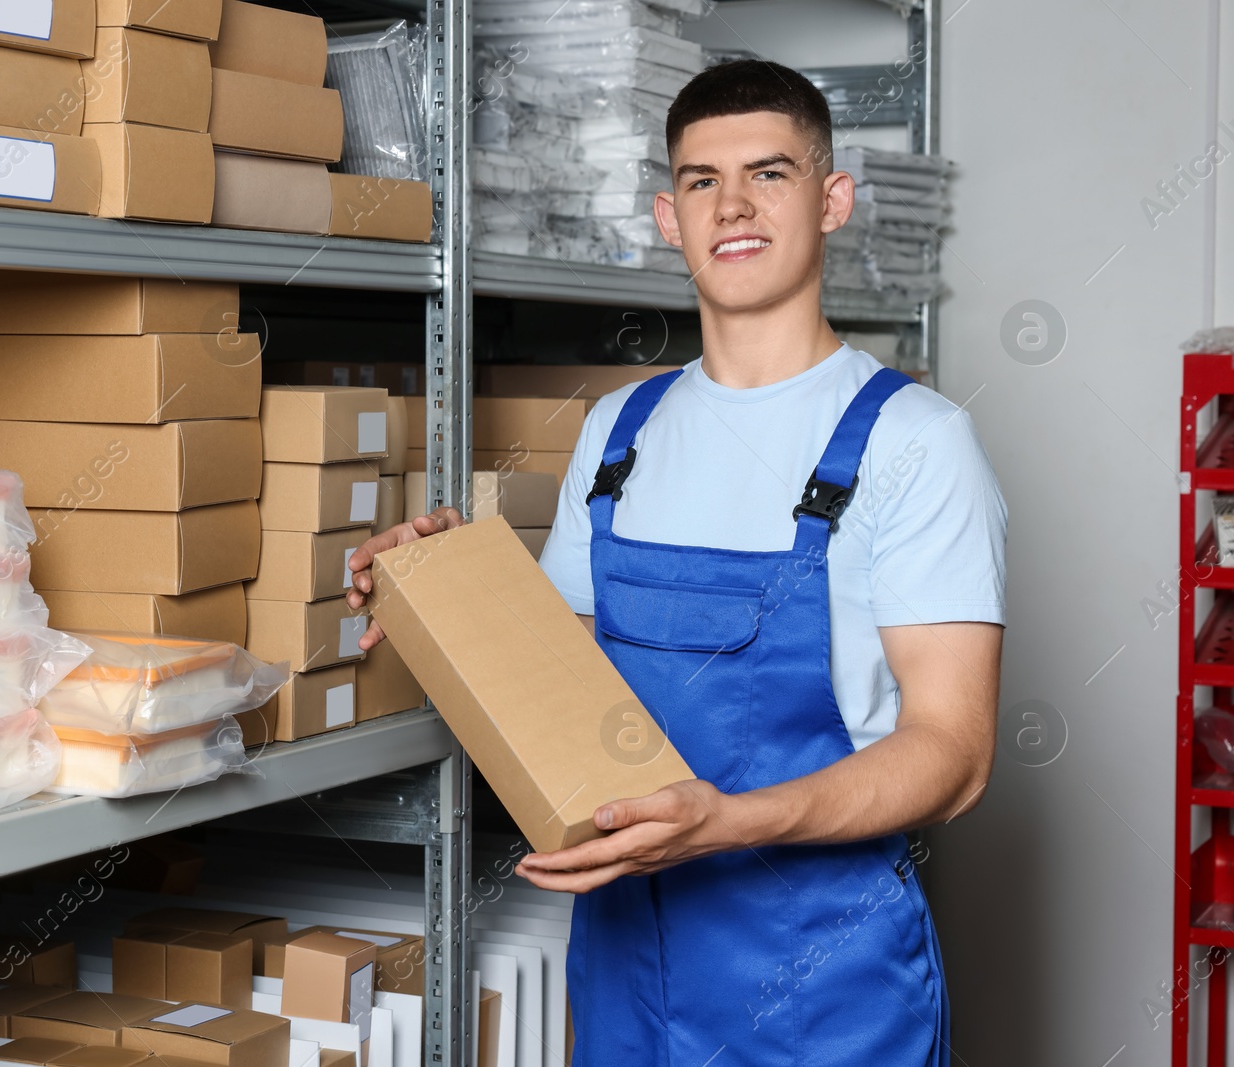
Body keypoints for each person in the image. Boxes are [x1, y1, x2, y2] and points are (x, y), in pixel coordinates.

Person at [346, 58, 1006, 1066]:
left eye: (769, 174)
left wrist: (728, 821)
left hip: (823, 989)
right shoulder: (621, 430)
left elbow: (952, 756)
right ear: (667, 214)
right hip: (625, 969)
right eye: (702, 181)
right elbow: (556, 687)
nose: (732, 205)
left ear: (832, 200)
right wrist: (447, 587)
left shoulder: (912, 441)